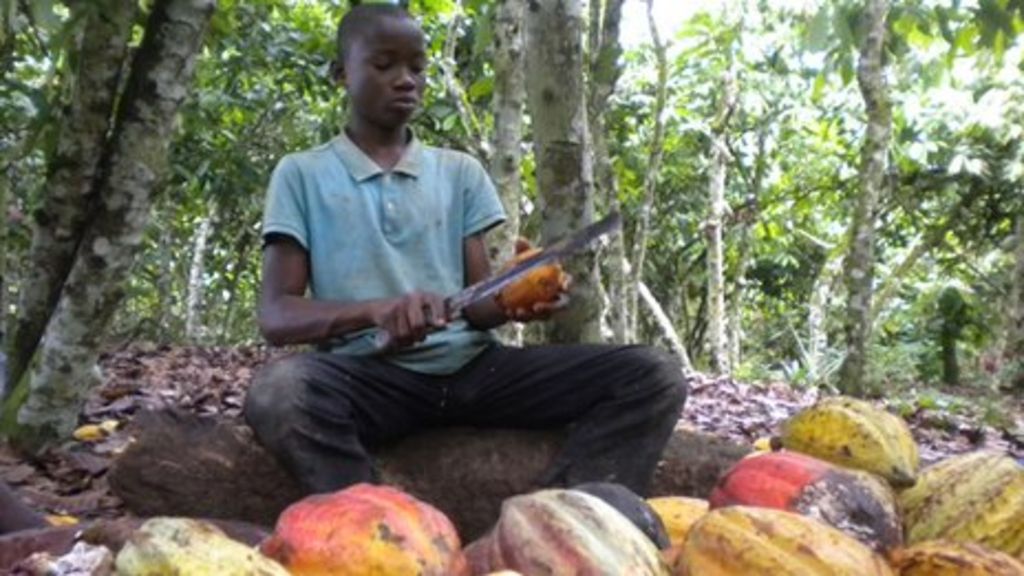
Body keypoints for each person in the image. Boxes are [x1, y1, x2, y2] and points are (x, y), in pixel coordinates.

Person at [244, 2, 687, 497]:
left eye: (417, 67)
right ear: (341, 74)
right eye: (384, 64)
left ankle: (583, 514)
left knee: (654, 375)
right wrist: (376, 311)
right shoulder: (302, 173)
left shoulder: (459, 173)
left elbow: (474, 307)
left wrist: (510, 302)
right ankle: (375, 522)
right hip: (369, 380)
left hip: (477, 371)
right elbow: (278, 315)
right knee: (279, 394)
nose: (406, 79)